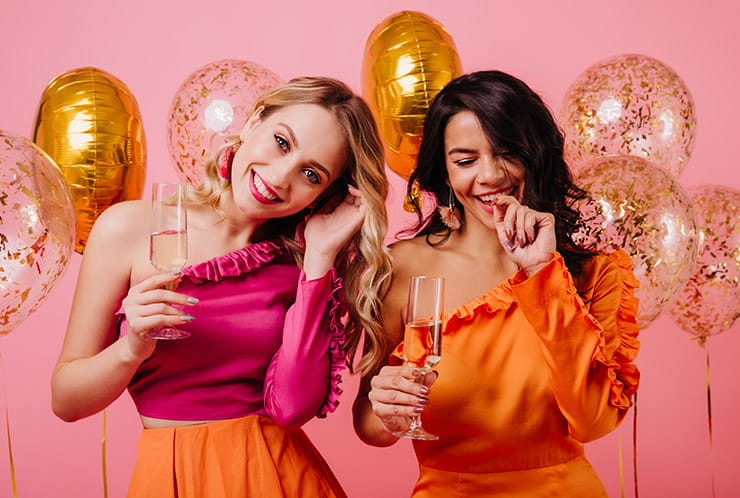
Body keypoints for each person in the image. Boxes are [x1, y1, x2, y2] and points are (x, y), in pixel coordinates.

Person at [51, 76, 392, 498]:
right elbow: (66, 400)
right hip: (172, 477)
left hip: (281, 478)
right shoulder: (131, 227)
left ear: (322, 196)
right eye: (282, 142)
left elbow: (292, 410)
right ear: (254, 121)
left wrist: (319, 260)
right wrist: (130, 349)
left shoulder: (300, 268)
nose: (282, 177)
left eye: (311, 174)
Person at [352, 70, 640, 496]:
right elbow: (371, 425)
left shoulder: (593, 271)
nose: (489, 176)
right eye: (465, 160)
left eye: (507, 152)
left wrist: (542, 272)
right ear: (444, 172)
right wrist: (386, 409)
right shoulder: (401, 268)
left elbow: (593, 421)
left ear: (536, 155)